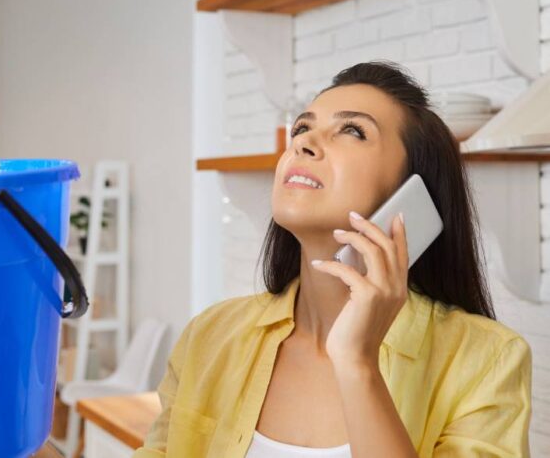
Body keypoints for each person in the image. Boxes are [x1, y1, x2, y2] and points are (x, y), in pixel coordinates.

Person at [132, 61, 533, 458]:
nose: (301, 143)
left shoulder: (487, 360)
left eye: (353, 131)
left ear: (412, 194)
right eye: (302, 128)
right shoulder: (210, 335)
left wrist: (358, 362)